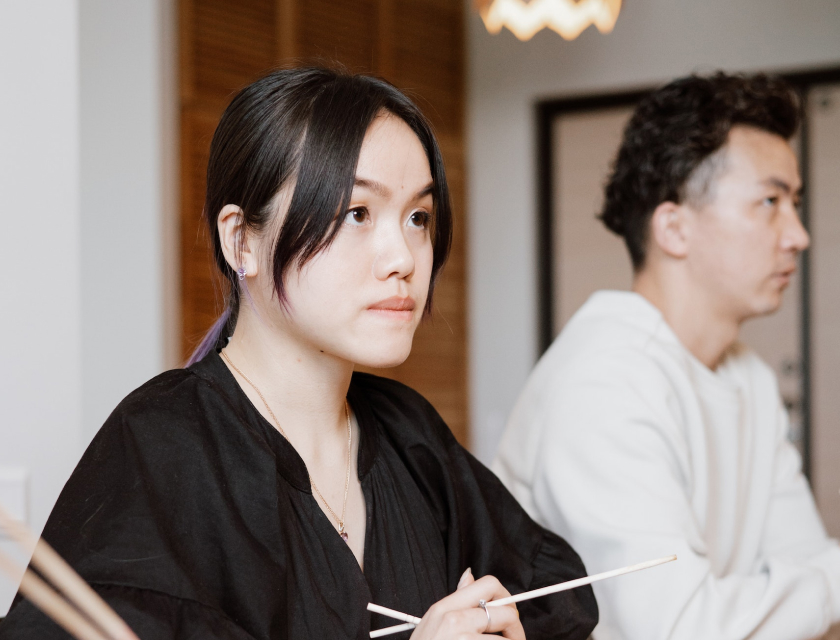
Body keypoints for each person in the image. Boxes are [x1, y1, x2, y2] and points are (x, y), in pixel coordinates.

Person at [0, 68, 597, 640]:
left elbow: (554, 602)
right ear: (241, 240)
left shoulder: (410, 435)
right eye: (357, 214)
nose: (404, 259)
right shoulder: (159, 444)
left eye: (418, 217)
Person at [493, 72, 840, 640]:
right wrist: (822, 588)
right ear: (674, 228)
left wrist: (818, 588)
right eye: (770, 201)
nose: (798, 235)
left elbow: (804, 562)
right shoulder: (604, 381)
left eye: (795, 204)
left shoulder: (748, 377)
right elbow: (680, 628)